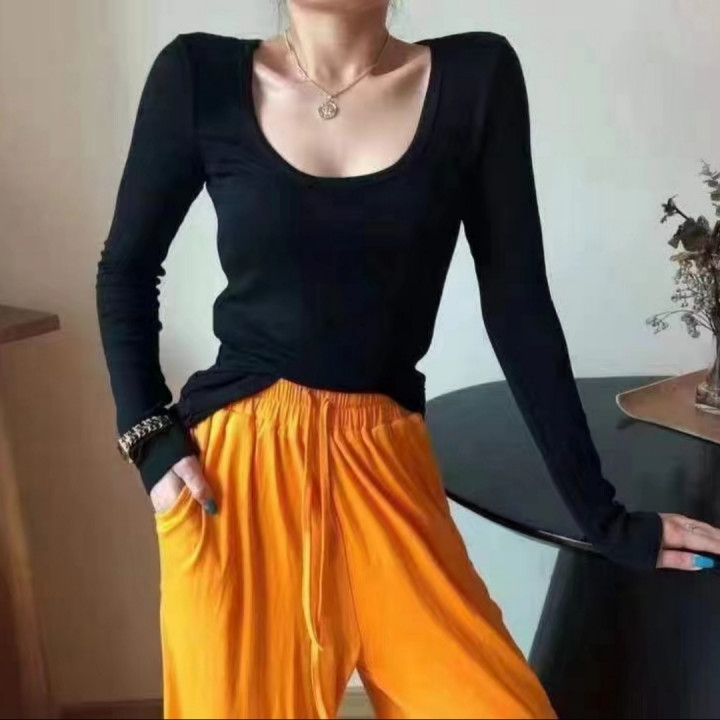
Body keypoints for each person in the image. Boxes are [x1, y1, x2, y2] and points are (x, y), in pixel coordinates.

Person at [95, 1, 720, 718]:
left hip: (387, 469)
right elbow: (126, 269)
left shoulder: (476, 78)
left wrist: (604, 520)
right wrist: (148, 437)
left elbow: (518, 307)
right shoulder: (196, 76)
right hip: (240, 481)